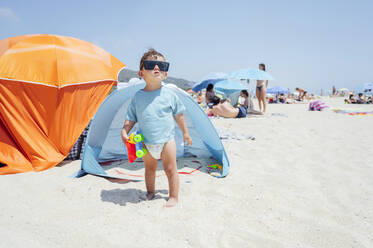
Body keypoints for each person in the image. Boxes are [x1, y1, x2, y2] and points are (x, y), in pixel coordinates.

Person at [121, 49, 192, 208]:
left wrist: (186, 133)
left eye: (161, 65)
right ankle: (150, 192)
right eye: (151, 64)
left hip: (167, 140)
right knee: (149, 169)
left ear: (165, 74)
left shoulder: (169, 95)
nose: (157, 67)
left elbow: (179, 116)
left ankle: (173, 196)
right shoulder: (138, 97)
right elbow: (131, 117)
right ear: (141, 73)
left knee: (170, 168)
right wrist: (125, 130)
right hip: (146, 141)